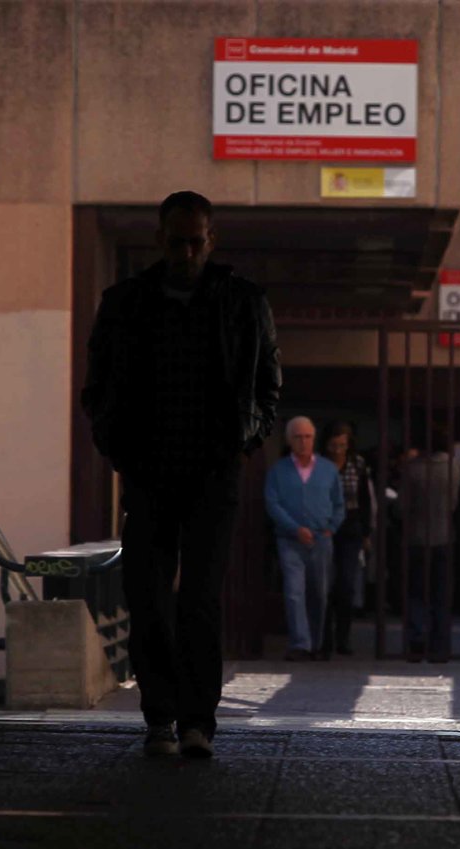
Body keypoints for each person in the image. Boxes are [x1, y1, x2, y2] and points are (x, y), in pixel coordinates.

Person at [81, 190, 281, 759]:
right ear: (160, 241)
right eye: (177, 243)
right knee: (148, 598)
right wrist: (118, 447)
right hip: (149, 471)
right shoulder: (126, 304)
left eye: (195, 242)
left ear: (210, 241)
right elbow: (98, 386)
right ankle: (163, 718)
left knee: (198, 600)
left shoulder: (242, 303)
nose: (187, 253)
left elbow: (266, 386)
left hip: (211, 472)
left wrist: (243, 442)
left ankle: (194, 722)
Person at [265, 416, 345, 661]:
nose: (303, 442)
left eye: (308, 437)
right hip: (289, 540)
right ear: (289, 440)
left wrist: (331, 527)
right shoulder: (278, 470)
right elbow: (273, 504)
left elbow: (339, 503)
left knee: (319, 593)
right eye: (298, 437)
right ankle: (300, 643)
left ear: (314, 439)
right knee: (293, 592)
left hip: (321, 539)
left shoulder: (328, 469)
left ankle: (316, 643)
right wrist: (294, 528)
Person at [400, 426, 460, 661]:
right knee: (442, 594)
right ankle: (439, 647)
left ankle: (416, 643)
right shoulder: (456, 467)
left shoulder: (411, 468)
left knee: (416, 592)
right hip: (445, 537)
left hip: (415, 538)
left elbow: (400, 507)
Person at [318, 421, 374, 659]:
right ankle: (324, 640)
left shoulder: (357, 464)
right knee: (325, 584)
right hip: (324, 524)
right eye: (334, 445)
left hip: (351, 525)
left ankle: (343, 637)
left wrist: (366, 533)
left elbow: (365, 499)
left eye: (342, 445)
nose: (338, 450)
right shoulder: (319, 463)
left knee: (346, 584)